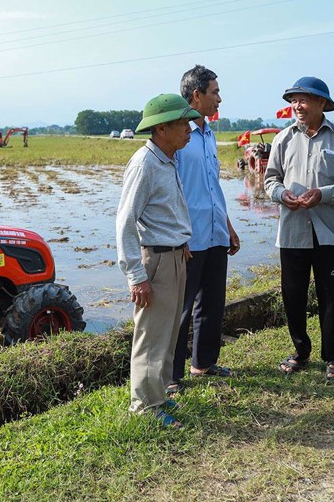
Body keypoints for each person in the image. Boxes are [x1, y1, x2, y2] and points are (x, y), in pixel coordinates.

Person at [264, 76, 334, 381]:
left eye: (304, 99)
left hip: (329, 233)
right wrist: (282, 195)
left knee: (332, 297)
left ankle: (333, 355)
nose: (297, 105)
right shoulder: (283, 139)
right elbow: (270, 181)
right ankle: (300, 351)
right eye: (293, 100)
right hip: (292, 232)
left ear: (322, 103)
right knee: (293, 296)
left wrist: (324, 194)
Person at [116, 93, 200, 428]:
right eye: (182, 123)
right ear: (161, 128)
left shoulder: (167, 158)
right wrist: (136, 275)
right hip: (157, 262)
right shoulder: (144, 164)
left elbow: (166, 212)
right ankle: (144, 408)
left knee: (166, 333)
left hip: (175, 255)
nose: (189, 129)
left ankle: (159, 396)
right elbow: (125, 222)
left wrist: (182, 243)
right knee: (151, 336)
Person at [169, 65, 241, 395]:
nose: (219, 98)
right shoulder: (179, 136)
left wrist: (227, 225)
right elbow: (173, 190)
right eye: (214, 92)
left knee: (212, 302)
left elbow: (212, 186)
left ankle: (204, 362)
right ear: (196, 95)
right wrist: (179, 235)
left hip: (214, 232)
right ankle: (171, 376)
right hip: (190, 236)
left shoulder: (209, 133)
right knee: (181, 307)